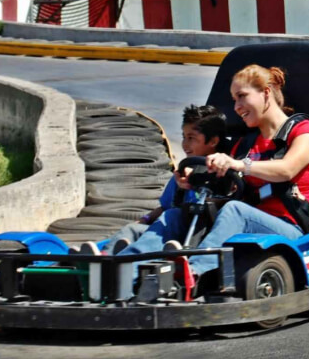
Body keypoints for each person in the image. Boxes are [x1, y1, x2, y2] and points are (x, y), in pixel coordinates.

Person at [115, 64, 309, 279]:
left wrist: (240, 165)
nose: (236, 106)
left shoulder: (304, 131)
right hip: (246, 222)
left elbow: (287, 170)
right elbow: (226, 192)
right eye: (234, 99)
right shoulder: (244, 145)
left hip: (291, 227)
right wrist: (191, 183)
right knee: (177, 215)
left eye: (242, 96)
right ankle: (122, 269)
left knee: (236, 210)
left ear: (266, 93)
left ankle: (193, 272)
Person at [98, 104, 228, 252]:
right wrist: (144, 219)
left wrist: (196, 186)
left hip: (195, 237)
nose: (185, 144)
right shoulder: (182, 173)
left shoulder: (222, 174)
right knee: (132, 229)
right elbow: (164, 207)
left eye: (191, 138)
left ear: (213, 142)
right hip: (167, 232)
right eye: (184, 137)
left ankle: (127, 260)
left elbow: (224, 207)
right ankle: (102, 257)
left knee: (172, 215)